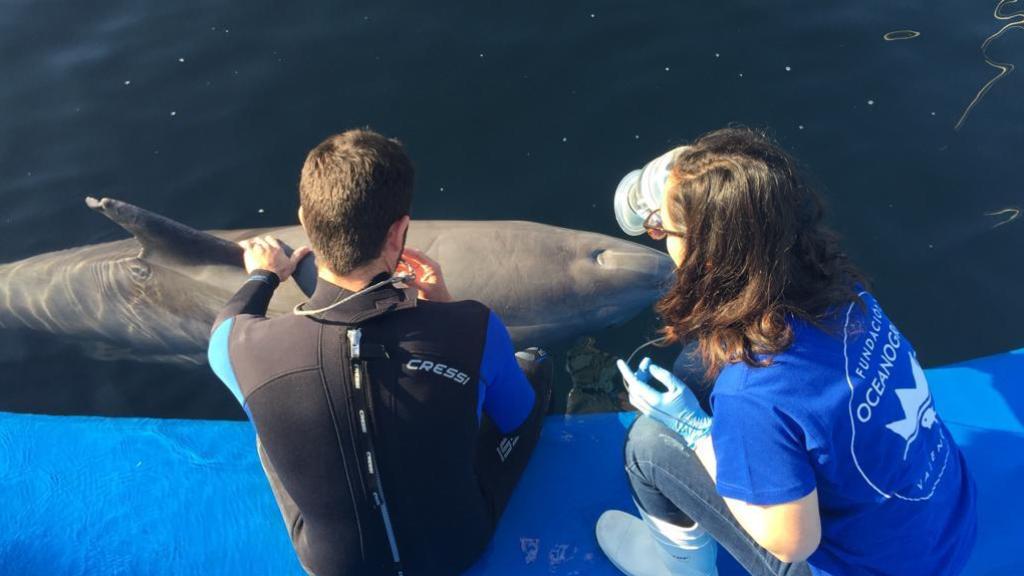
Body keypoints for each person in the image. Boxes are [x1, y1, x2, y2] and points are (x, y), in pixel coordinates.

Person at [597, 127, 977, 576]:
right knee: (697, 366)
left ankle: (678, 569)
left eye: (664, 229)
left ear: (711, 258)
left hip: (865, 569)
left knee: (647, 446)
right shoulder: (844, 291)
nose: (659, 236)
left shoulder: (750, 392)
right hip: (948, 528)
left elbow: (794, 541)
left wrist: (697, 432)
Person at [207, 129, 552, 576]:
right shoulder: (473, 327)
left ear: (305, 222)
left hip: (331, 564)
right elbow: (515, 418)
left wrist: (264, 276)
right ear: (399, 232)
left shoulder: (238, 349)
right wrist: (444, 309)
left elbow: (224, 327)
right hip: (457, 550)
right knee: (533, 369)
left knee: (266, 428)